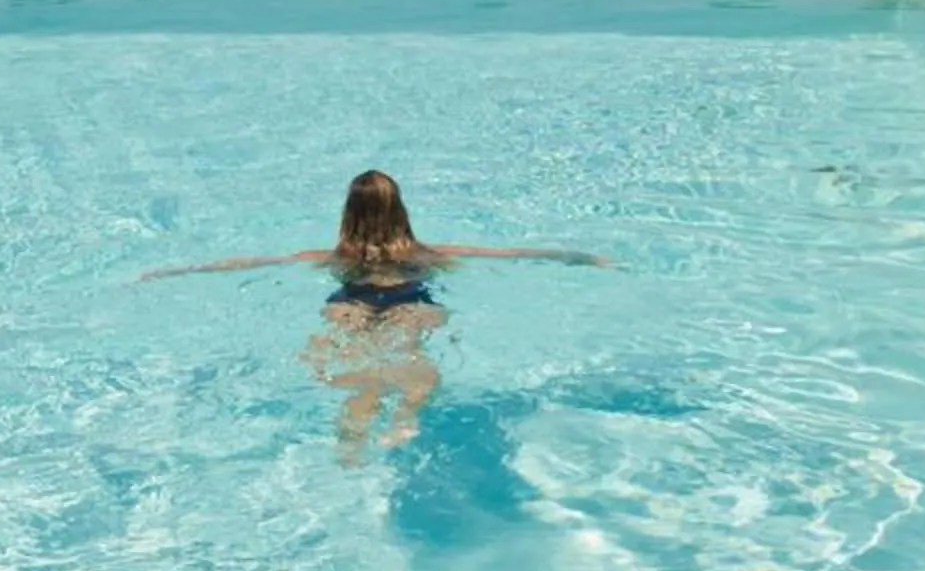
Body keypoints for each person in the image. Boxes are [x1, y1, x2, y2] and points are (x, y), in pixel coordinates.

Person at [140, 171, 608, 460]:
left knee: (353, 367)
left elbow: (253, 263)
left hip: (351, 299)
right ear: (400, 210)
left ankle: (353, 433)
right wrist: (580, 257)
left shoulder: (332, 257)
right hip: (411, 299)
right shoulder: (428, 254)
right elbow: (510, 254)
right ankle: (406, 416)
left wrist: (177, 271)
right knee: (411, 358)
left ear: (349, 213)